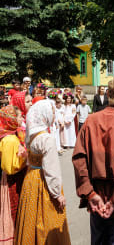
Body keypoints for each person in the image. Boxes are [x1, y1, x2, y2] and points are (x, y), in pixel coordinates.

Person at [73, 77, 114, 245]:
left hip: (97, 196)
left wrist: (90, 193)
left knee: (98, 239)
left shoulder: (90, 120)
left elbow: (79, 159)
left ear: (109, 94)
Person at [14, 100, 71, 244]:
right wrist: (57, 194)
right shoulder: (47, 138)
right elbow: (51, 170)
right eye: (51, 112)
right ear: (44, 115)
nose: (53, 114)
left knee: (31, 218)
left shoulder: (31, 135)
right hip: (43, 182)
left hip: (30, 179)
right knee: (48, 221)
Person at [0, 105, 27, 244]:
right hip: (13, 180)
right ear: (10, 119)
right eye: (18, 116)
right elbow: (11, 168)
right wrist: (26, 158)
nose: (22, 118)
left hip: (16, 178)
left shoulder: (13, 134)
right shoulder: (9, 140)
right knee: (14, 211)